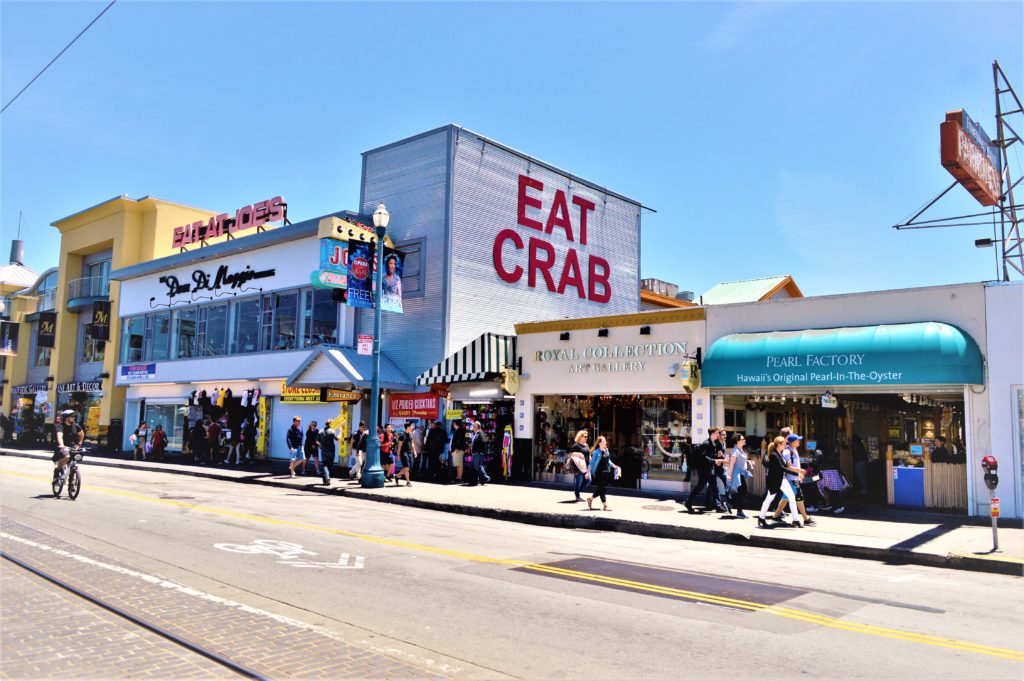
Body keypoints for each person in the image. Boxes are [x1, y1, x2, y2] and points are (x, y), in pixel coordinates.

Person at [758, 436, 804, 528]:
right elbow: (782, 468)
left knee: (791, 496)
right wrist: (797, 474)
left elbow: (785, 467)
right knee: (769, 499)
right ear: (778, 445)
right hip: (774, 481)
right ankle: (761, 517)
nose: (785, 445)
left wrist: (796, 471)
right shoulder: (774, 455)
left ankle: (796, 520)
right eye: (783, 444)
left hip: (782, 480)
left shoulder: (780, 453)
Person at [772, 434, 815, 526]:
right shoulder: (787, 452)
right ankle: (805, 519)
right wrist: (799, 471)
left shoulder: (794, 450)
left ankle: (775, 516)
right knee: (799, 497)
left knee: (785, 498)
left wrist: (798, 474)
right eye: (797, 440)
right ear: (792, 442)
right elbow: (788, 466)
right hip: (790, 479)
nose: (799, 441)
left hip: (793, 478)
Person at [686, 428, 725, 513]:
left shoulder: (713, 443)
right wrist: (715, 460)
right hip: (704, 469)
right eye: (717, 433)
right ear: (712, 434)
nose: (718, 435)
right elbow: (703, 457)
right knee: (702, 486)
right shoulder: (706, 443)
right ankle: (688, 502)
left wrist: (717, 457)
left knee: (714, 486)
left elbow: (709, 455)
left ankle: (718, 506)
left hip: (709, 469)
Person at [586, 435, 619, 511]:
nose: (605, 442)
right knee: (602, 488)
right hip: (598, 472)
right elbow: (591, 463)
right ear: (600, 443)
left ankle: (590, 499)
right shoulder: (596, 452)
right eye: (604, 441)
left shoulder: (606, 450)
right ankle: (605, 505)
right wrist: (588, 472)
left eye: (605, 441)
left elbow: (608, 461)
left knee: (601, 488)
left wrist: (614, 466)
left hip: (606, 472)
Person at [52, 410, 84, 481]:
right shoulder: (60, 426)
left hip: (72, 447)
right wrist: (62, 445)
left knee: (75, 460)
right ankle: (57, 469)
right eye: (72, 417)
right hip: (62, 448)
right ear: (66, 418)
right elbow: (59, 436)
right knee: (67, 456)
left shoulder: (76, 426)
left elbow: (81, 434)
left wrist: (79, 444)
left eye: (74, 417)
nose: (74, 418)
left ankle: (71, 483)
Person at [725, 433, 752, 518]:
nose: (744, 440)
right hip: (737, 474)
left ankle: (730, 504)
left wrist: (748, 462)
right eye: (742, 439)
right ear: (738, 441)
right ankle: (738, 511)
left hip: (741, 473)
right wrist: (729, 475)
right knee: (743, 491)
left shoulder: (741, 449)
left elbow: (741, 460)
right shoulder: (735, 450)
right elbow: (732, 463)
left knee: (742, 492)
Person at [814, 447, 847, 514]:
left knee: (822, 488)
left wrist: (813, 477)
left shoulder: (820, 452)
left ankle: (828, 504)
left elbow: (816, 464)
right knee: (834, 491)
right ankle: (836, 506)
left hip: (824, 473)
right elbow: (838, 466)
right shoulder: (833, 454)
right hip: (833, 473)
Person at [567, 430, 591, 502]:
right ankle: (577, 496)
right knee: (579, 481)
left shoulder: (586, 445)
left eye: (587, 437)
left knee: (588, 481)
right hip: (578, 466)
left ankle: (577, 491)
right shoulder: (576, 445)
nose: (587, 438)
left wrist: (591, 460)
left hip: (586, 466)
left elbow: (588, 454)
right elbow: (571, 454)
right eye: (585, 437)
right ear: (580, 437)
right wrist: (579, 454)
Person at [468, 421, 490, 486]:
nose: (473, 427)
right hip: (475, 453)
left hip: (478, 453)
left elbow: (483, 442)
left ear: (477, 427)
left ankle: (485, 477)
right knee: (473, 467)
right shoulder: (476, 433)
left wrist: (478, 451)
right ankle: (476, 481)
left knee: (478, 466)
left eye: (474, 426)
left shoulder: (480, 433)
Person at [395, 422, 414, 487]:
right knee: (406, 467)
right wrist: (398, 455)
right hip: (403, 452)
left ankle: (397, 475)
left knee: (409, 467)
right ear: (408, 427)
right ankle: (408, 482)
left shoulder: (410, 434)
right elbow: (399, 446)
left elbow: (412, 444)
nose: (412, 427)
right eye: (411, 426)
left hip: (409, 452)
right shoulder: (402, 435)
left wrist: (414, 451)